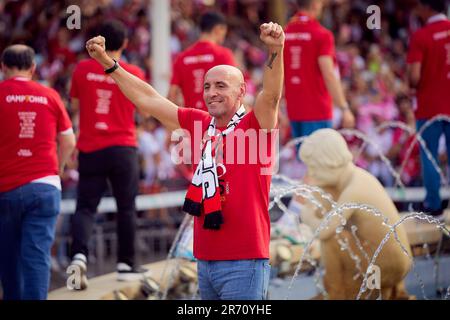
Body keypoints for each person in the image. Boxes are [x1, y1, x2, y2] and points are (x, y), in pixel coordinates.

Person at [85, 21, 285, 300]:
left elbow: (272, 95)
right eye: (207, 86)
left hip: (245, 261)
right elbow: (148, 100)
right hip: (204, 260)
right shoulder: (199, 122)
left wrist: (275, 49)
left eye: (220, 86)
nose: (211, 92)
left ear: (241, 92)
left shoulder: (256, 124)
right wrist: (110, 64)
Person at [68, 20, 148, 288]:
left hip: (90, 148)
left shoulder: (81, 69)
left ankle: (78, 256)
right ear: (125, 44)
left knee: (85, 207)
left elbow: (76, 106)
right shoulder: (133, 70)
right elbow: (144, 109)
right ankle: (126, 264)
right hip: (123, 147)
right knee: (126, 207)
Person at [298, 129, 412, 300]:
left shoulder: (355, 189)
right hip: (388, 261)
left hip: (387, 268)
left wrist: (306, 215)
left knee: (333, 239)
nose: (310, 174)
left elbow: (324, 230)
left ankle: (336, 294)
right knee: (338, 231)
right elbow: (322, 196)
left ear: (331, 162)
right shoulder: (353, 178)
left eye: (313, 168)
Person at [0, 45, 76, 300]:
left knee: (8, 257)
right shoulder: (50, 95)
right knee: (37, 256)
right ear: (33, 68)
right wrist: (59, 167)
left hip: (5, 189)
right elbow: (68, 141)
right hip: (44, 185)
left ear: (3, 67)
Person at [283, 0, 355, 139]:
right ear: (316, 4)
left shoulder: (285, 33)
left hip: (294, 110)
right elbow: (328, 73)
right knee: (320, 159)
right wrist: (344, 108)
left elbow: (276, 70)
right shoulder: (321, 34)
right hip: (317, 110)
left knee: (302, 158)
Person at [407, 0, 450, 217]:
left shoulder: (421, 36)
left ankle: (433, 205)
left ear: (426, 7)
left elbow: (414, 76)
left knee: (429, 154)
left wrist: (409, 85)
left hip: (429, 106)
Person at [167, 11, 236, 111]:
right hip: (216, 120)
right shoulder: (223, 55)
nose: (223, 37)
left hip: (191, 121)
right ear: (218, 29)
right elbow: (234, 89)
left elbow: (171, 95)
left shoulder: (182, 57)